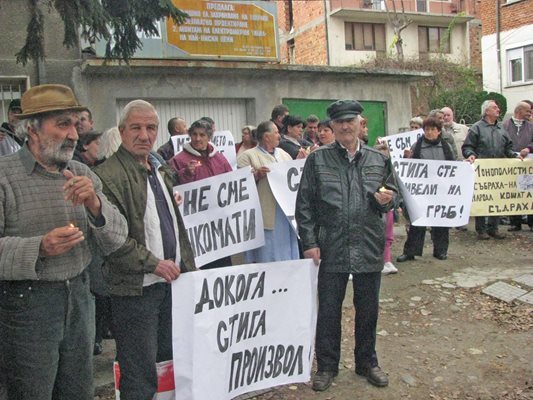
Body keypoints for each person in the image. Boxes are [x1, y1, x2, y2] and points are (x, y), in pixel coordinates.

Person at [0, 84, 128, 400]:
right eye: (62, 124)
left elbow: (118, 238)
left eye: (75, 123)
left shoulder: (82, 173)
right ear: (31, 129)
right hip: (26, 305)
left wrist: (95, 206)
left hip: (80, 299)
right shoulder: (4, 177)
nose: (74, 134)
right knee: (31, 391)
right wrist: (39, 247)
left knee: (77, 391)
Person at [93, 100, 196, 400]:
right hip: (136, 291)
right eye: (136, 127)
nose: (144, 134)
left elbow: (174, 227)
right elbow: (113, 241)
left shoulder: (157, 168)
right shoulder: (108, 175)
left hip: (169, 285)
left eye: (150, 128)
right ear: (122, 131)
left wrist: (188, 267)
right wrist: (153, 263)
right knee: (139, 372)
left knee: (167, 362)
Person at [295, 100, 397, 392]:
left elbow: (394, 195)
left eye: (349, 120)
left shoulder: (378, 159)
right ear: (332, 127)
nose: (344, 126)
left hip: (367, 244)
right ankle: (327, 366)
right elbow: (304, 205)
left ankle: (367, 363)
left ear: (359, 122)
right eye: (338, 122)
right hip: (331, 246)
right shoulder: (318, 159)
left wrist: (389, 199)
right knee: (328, 310)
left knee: (368, 310)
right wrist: (310, 242)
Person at [169, 119, 233, 269]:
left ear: (209, 137)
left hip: (219, 222)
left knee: (222, 264)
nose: (198, 139)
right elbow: (171, 185)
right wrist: (186, 173)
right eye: (194, 134)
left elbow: (231, 180)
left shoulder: (219, 158)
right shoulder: (179, 160)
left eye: (202, 135)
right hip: (195, 224)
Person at [237, 120, 299, 263]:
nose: (279, 136)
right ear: (266, 136)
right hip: (265, 212)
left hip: (285, 211)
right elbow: (240, 185)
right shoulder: (248, 156)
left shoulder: (283, 154)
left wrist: (299, 162)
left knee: (287, 252)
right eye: (276, 132)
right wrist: (256, 176)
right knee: (268, 253)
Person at [396, 117, 456, 263]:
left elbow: (455, 167)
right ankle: (410, 252)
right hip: (422, 192)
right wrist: (406, 158)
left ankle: (440, 251)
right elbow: (409, 169)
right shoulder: (417, 145)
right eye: (427, 129)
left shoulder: (446, 146)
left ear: (439, 131)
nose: (429, 132)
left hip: (441, 191)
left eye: (432, 129)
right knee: (418, 222)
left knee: (441, 222)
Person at [462, 100, 516, 240]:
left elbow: (508, 147)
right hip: (481, 171)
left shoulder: (501, 128)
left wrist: (514, 156)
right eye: (495, 107)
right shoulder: (476, 128)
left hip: (498, 171)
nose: (498, 109)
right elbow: (467, 147)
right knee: (482, 199)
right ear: (486, 111)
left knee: (495, 199)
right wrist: (470, 155)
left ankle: (494, 228)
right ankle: (481, 229)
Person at [503, 101, 533, 232]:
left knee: (529, 191)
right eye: (528, 111)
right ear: (519, 111)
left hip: (528, 164)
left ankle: (532, 222)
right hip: (511, 164)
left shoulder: (531, 126)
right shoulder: (504, 126)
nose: (530, 114)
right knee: (513, 191)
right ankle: (515, 222)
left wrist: (529, 148)